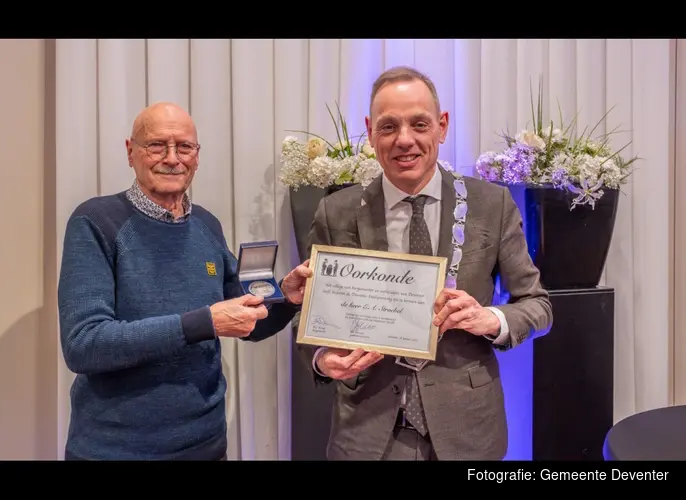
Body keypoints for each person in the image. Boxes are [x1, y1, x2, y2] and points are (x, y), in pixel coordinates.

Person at [298, 67, 553, 460]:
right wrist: (322, 358)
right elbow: (308, 315)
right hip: (367, 434)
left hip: (467, 432)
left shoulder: (492, 205)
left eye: (419, 124)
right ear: (370, 131)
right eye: (388, 127)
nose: (405, 140)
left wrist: (491, 320)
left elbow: (538, 306)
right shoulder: (336, 212)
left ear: (442, 126)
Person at [57, 102, 311, 461]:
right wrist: (203, 322)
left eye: (185, 147)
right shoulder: (95, 221)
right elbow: (85, 344)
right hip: (116, 450)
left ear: (197, 155)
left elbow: (247, 321)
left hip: (206, 446)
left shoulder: (206, 225)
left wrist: (286, 297)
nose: (172, 158)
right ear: (131, 152)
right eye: (157, 145)